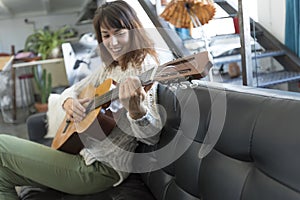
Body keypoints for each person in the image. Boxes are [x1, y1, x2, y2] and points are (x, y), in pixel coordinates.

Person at [0, 1, 163, 199]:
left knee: (1, 146)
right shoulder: (110, 68)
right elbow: (71, 90)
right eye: (106, 35)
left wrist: (137, 112)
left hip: (102, 169)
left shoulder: (146, 68)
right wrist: (69, 102)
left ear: (133, 30)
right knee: (3, 174)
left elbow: (151, 137)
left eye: (119, 32)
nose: (113, 42)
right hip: (84, 154)